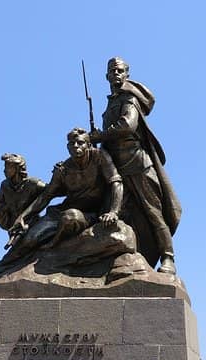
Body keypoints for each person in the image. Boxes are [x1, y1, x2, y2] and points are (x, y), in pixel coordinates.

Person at [0, 127, 123, 277]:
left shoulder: (100, 157)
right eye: (72, 143)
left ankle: (51, 248)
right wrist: (22, 217)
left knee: (71, 217)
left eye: (80, 143)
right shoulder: (64, 168)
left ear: (88, 145)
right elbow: (46, 196)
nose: (76, 146)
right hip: (61, 212)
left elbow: (116, 183)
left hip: (92, 214)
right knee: (29, 238)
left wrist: (113, 211)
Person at [89, 56, 181, 274]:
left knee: (152, 212)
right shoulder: (111, 102)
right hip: (115, 166)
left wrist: (100, 136)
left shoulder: (129, 98)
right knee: (114, 213)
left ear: (127, 74)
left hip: (136, 162)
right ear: (107, 76)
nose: (116, 74)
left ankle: (168, 258)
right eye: (112, 71)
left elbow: (128, 125)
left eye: (120, 71)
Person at [0, 153, 46, 231]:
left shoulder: (32, 183)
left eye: (8, 167)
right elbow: (0, 206)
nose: (4, 170)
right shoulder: (5, 186)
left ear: (17, 168)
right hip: (15, 227)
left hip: (33, 226)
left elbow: (51, 190)